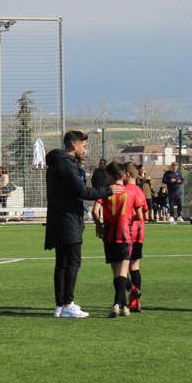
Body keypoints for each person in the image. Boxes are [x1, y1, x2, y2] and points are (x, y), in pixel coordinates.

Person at [45, 130, 118, 319]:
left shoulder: (58, 164)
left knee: (62, 263)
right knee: (72, 262)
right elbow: (82, 192)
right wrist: (108, 190)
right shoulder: (65, 164)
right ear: (73, 145)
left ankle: (60, 305)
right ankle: (68, 303)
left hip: (60, 218)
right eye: (83, 146)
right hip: (68, 220)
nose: (85, 149)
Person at [91, 162, 142, 318]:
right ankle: (121, 305)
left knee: (116, 273)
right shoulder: (131, 192)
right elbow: (140, 216)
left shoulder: (106, 192)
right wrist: (125, 218)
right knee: (123, 272)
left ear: (111, 176)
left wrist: (99, 224)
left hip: (109, 235)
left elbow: (94, 211)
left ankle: (120, 305)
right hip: (125, 235)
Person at [123, 163, 148, 312]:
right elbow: (145, 213)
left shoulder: (124, 191)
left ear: (126, 174)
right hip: (139, 233)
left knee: (120, 268)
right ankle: (135, 302)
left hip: (125, 232)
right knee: (135, 266)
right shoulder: (140, 191)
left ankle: (132, 290)